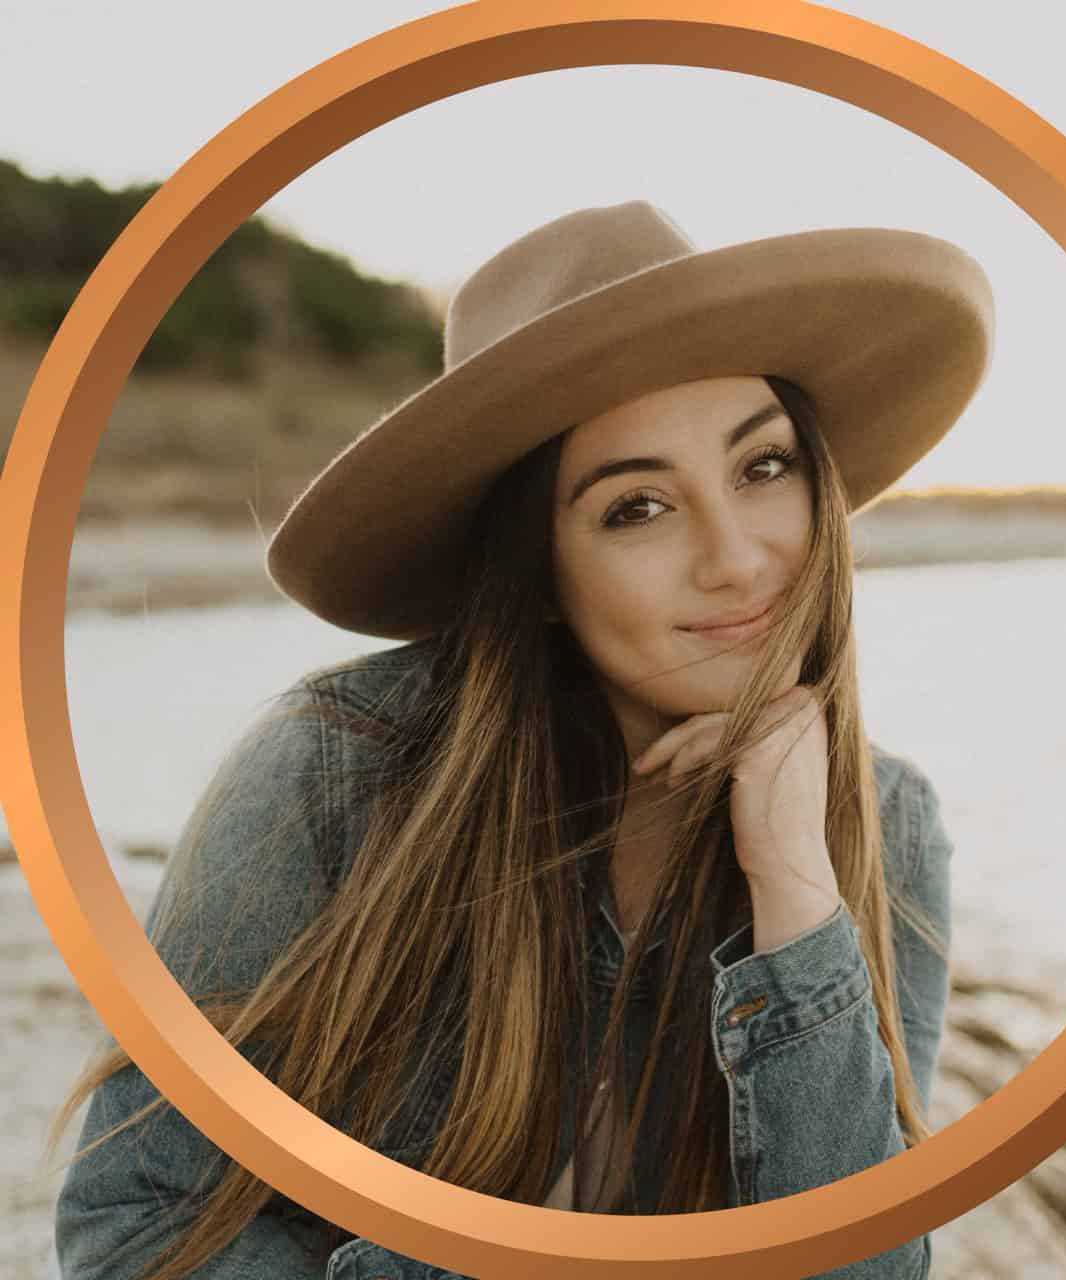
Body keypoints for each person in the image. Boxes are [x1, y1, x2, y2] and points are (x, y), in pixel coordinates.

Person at [48, 199, 994, 1279]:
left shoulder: (884, 819)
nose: (737, 558)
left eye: (761, 466)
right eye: (637, 507)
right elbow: (135, 1227)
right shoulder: (335, 769)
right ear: (536, 576)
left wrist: (790, 884)